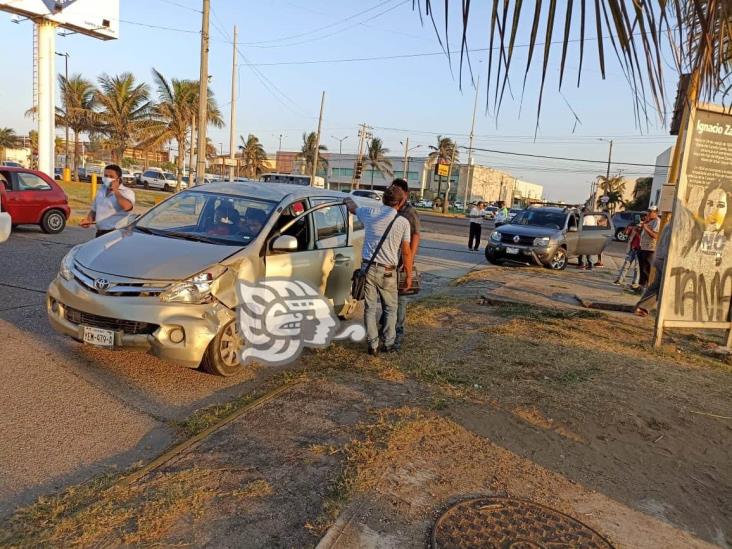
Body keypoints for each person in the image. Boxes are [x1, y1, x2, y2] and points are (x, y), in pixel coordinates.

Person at [346, 186, 413, 355]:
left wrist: (346, 199)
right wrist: (409, 275)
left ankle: (373, 345)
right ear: (401, 202)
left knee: (369, 308)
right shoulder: (403, 222)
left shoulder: (369, 213)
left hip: (367, 268)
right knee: (390, 308)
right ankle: (389, 343)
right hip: (388, 272)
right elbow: (405, 251)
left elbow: (352, 208)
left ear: (383, 199)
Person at [389, 178, 420, 349]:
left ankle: (398, 332)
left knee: (400, 299)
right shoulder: (390, 209)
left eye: (398, 191)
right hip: (388, 260)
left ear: (405, 194)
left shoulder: (409, 212)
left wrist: (408, 262)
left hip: (401, 262)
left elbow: (415, 236)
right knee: (389, 298)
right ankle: (387, 327)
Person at [80, 164, 135, 238]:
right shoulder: (101, 189)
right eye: (106, 176)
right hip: (100, 233)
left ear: (118, 179)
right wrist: (88, 220)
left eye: (111, 176)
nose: (107, 178)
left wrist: (115, 190)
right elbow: (94, 210)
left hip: (116, 234)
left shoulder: (126, 192)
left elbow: (127, 207)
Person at [635, 220, 672, 317]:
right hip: (667, 259)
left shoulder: (669, 224)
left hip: (661, 257)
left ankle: (642, 307)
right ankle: (643, 307)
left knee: (657, 285)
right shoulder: (676, 225)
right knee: (662, 285)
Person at [613, 220, 642, 288]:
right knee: (626, 265)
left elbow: (640, 238)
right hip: (632, 249)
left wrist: (637, 230)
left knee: (637, 267)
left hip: (639, 250)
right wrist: (628, 228)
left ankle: (635, 282)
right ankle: (619, 280)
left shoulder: (640, 231)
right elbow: (625, 233)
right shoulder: (632, 230)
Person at [637, 206, 660, 289]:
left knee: (647, 269)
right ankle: (641, 285)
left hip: (650, 248)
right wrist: (641, 226)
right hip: (643, 247)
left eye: (651, 212)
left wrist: (646, 228)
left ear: (656, 213)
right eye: (648, 211)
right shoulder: (649, 221)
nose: (649, 213)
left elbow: (655, 236)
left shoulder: (657, 222)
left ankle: (647, 286)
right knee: (642, 268)